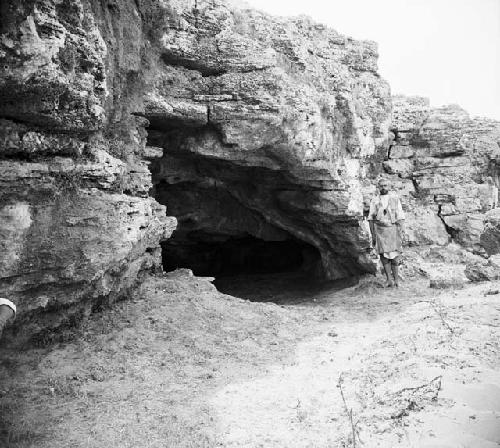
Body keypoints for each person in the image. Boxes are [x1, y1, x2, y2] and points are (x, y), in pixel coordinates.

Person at [368, 178, 406, 287]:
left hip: (393, 229)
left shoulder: (395, 198)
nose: (383, 188)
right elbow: (371, 217)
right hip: (380, 230)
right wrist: (373, 234)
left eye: (385, 185)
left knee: (394, 256)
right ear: (378, 187)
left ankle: (396, 280)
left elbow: (400, 215)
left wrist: (402, 230)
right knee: (383, 256)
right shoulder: (374, 200)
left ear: (389, 187)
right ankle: (389, 280)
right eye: (381, 186)